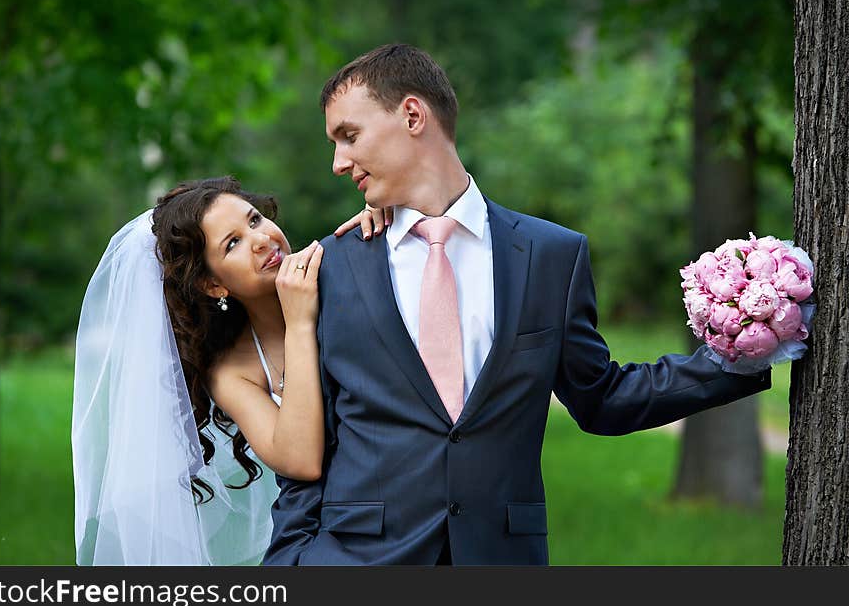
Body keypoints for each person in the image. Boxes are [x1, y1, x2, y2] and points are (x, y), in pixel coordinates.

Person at [262, 44, 772, 566]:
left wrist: (748, 353)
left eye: (349, 136)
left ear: (413, 115)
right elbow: (309, 439)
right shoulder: (329, 269)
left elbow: (602, 398)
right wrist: (289, 564)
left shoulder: (551, 255)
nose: (338, 162)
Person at [71, 176, 387, 565]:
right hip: (317, 531)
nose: (260, 239)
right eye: (233, 243)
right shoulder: (231, 371)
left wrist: (390, 221)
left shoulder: (335, 266)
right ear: (213, 284)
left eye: (254, 220)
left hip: (393, 504)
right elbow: (300, 460)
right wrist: (300, 324)